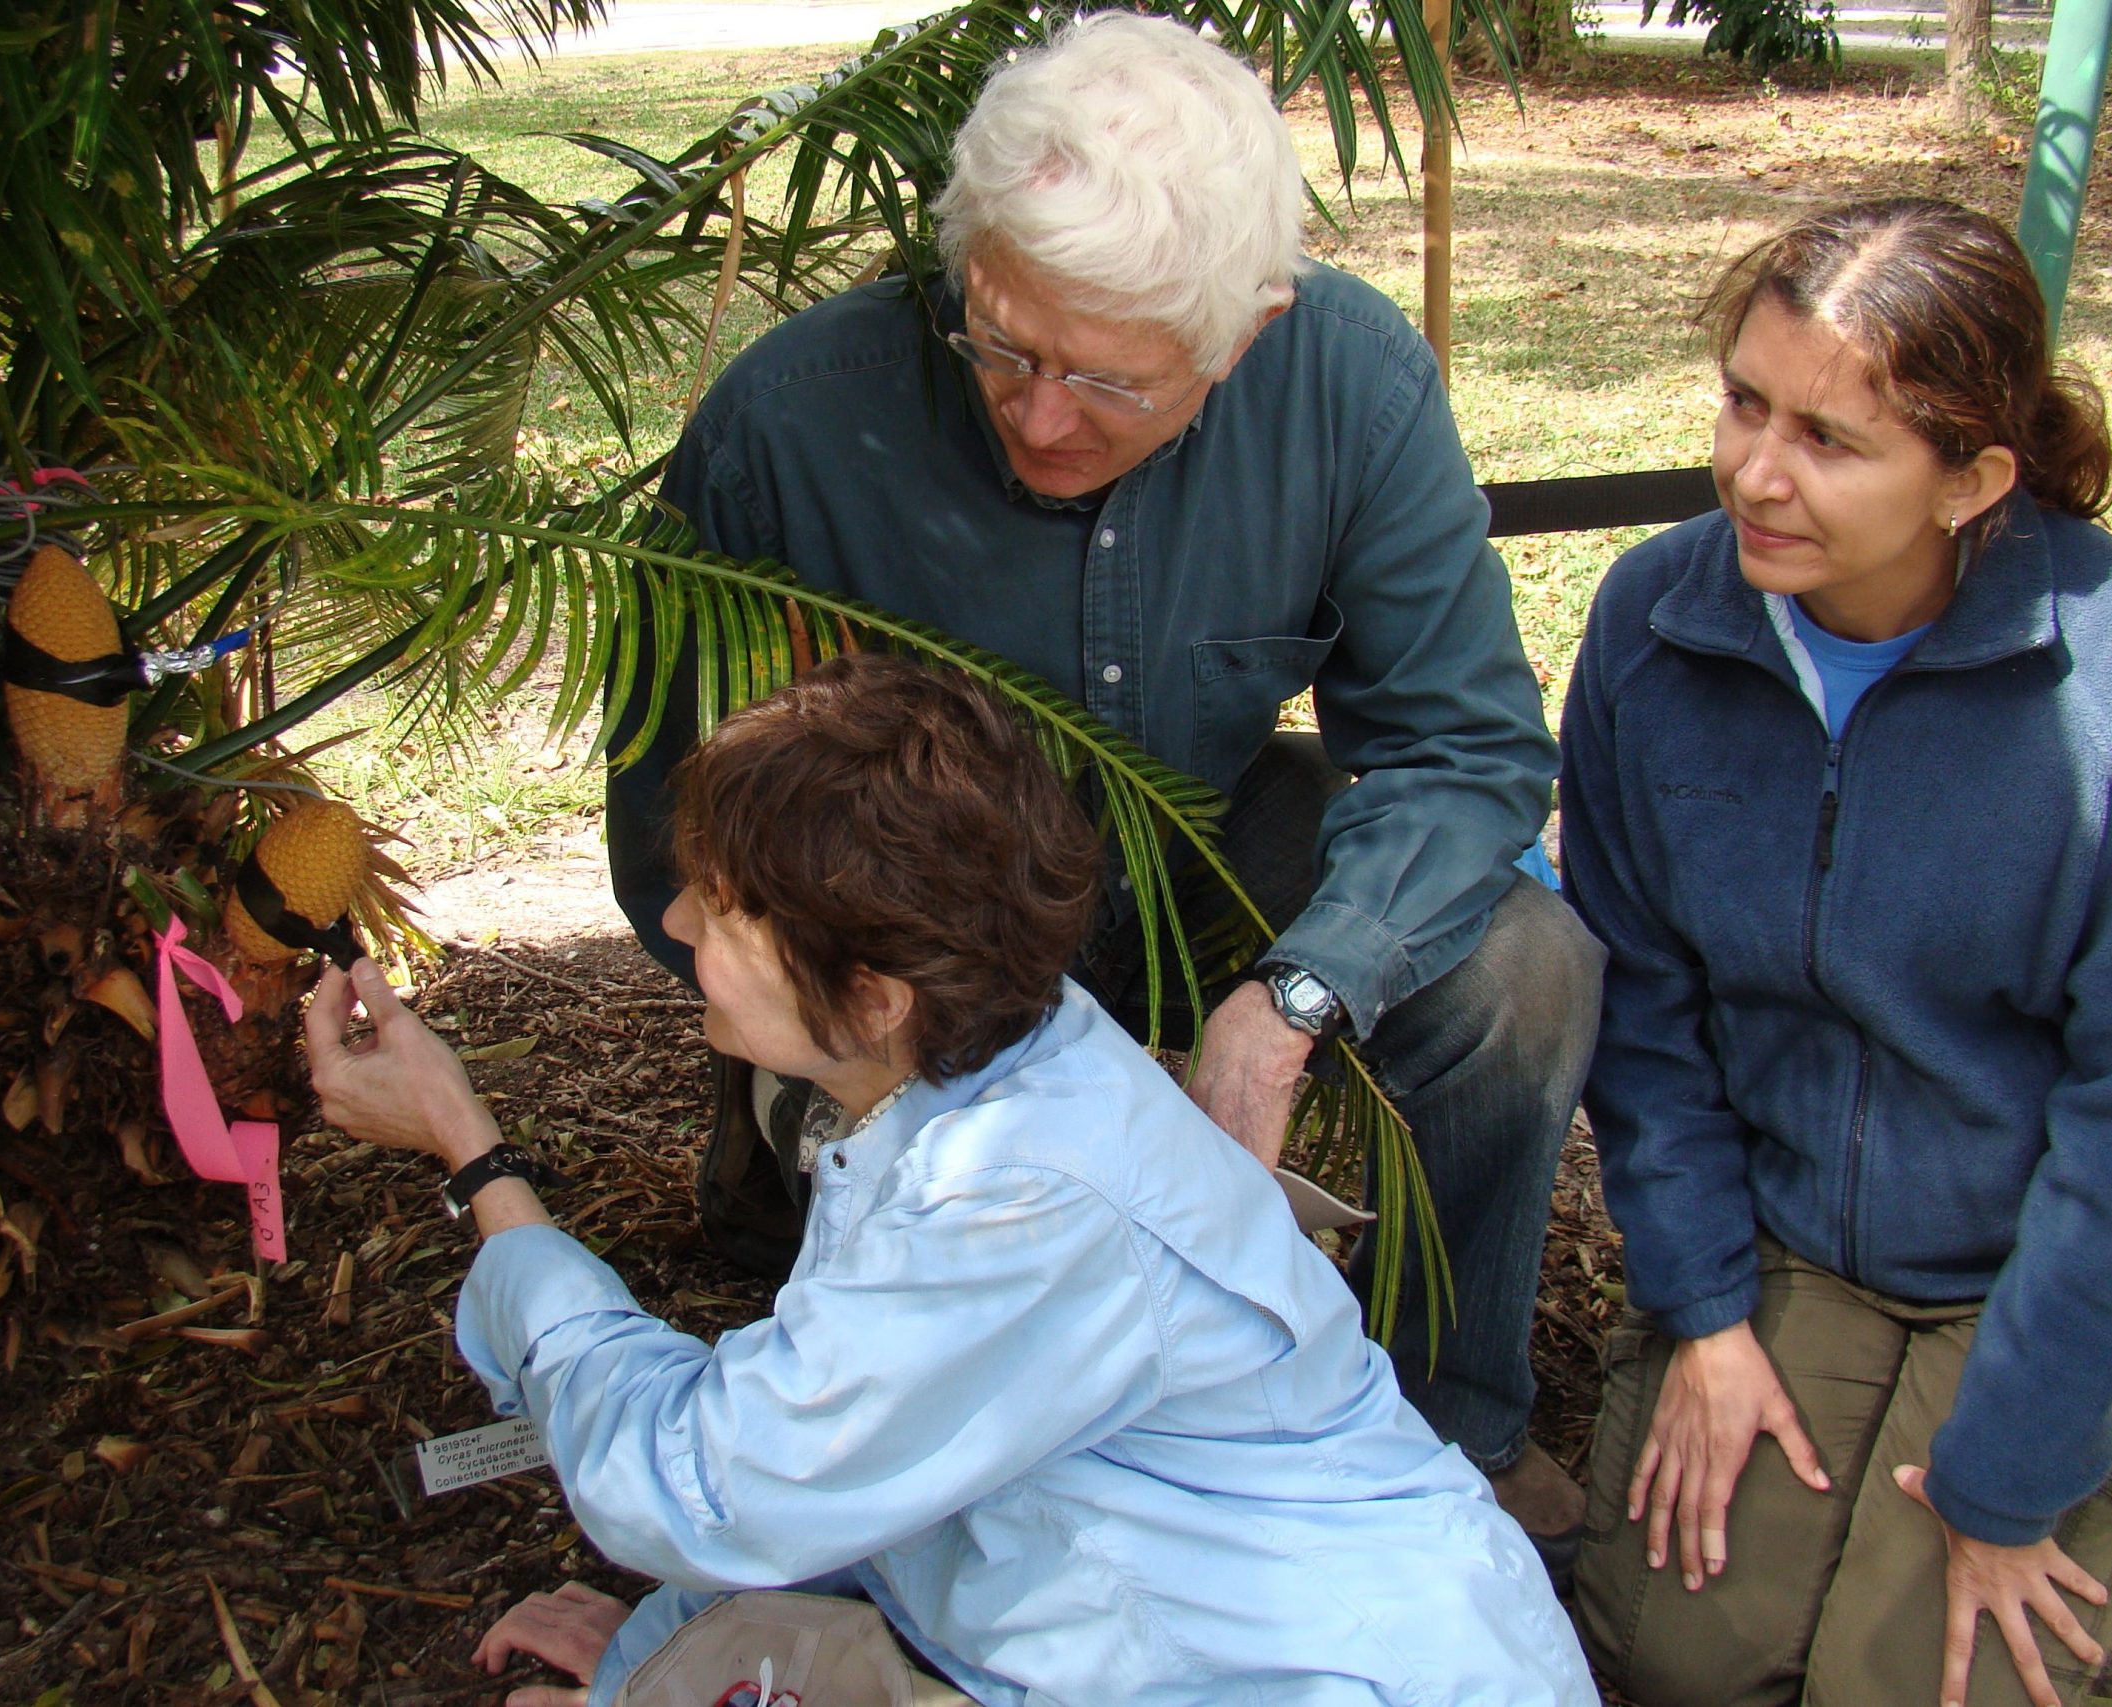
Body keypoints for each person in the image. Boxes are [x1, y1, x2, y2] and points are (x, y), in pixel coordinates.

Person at [605, 9, 1603, 1560]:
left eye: (1113, 382)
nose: (1041, 413)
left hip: (1201, 840)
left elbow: (1463, 746)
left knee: (1521, 968)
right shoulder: (793, 420)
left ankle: (1439, 1417)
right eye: (1001, 345)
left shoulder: (1348, 384)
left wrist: (1294, 1005)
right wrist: (869, 1029)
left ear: (1246, 331)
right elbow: (662, 817)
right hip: (915, 933)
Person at [310, 655, 1593, 1707]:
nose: (683, 930)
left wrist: (472, 1153)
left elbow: (706, 1485)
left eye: (717, 905)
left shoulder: (1019, 1201)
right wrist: (689, 1641)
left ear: (870, 997)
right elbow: (878, 1432)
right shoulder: (985, 1072)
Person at [1557, 196, 2112, 1707]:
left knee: (1911, 1678)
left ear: (1974, 478)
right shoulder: (1656, 621)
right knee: (1679, 1660)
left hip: (2040, 1257)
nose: (1755, 470)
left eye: (1830, 437)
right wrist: (1707, 1310)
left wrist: (2008, 1484)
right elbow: (1647, 1011)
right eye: (1744, 401)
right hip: (1797, 1233)